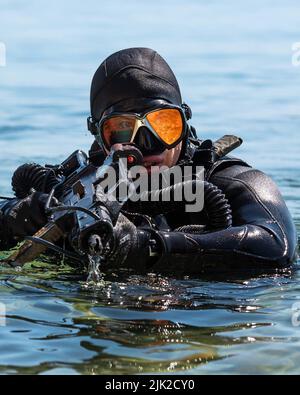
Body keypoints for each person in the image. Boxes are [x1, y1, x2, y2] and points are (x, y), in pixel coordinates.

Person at [0, 48, 298, 274]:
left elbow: (276, 246)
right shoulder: (77, 189)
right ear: (99, 135)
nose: (148, 145)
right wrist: (18, 214)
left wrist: (143, 247)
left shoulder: (229, 181)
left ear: (184, 121)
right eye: (123, 129)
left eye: (164, 124)